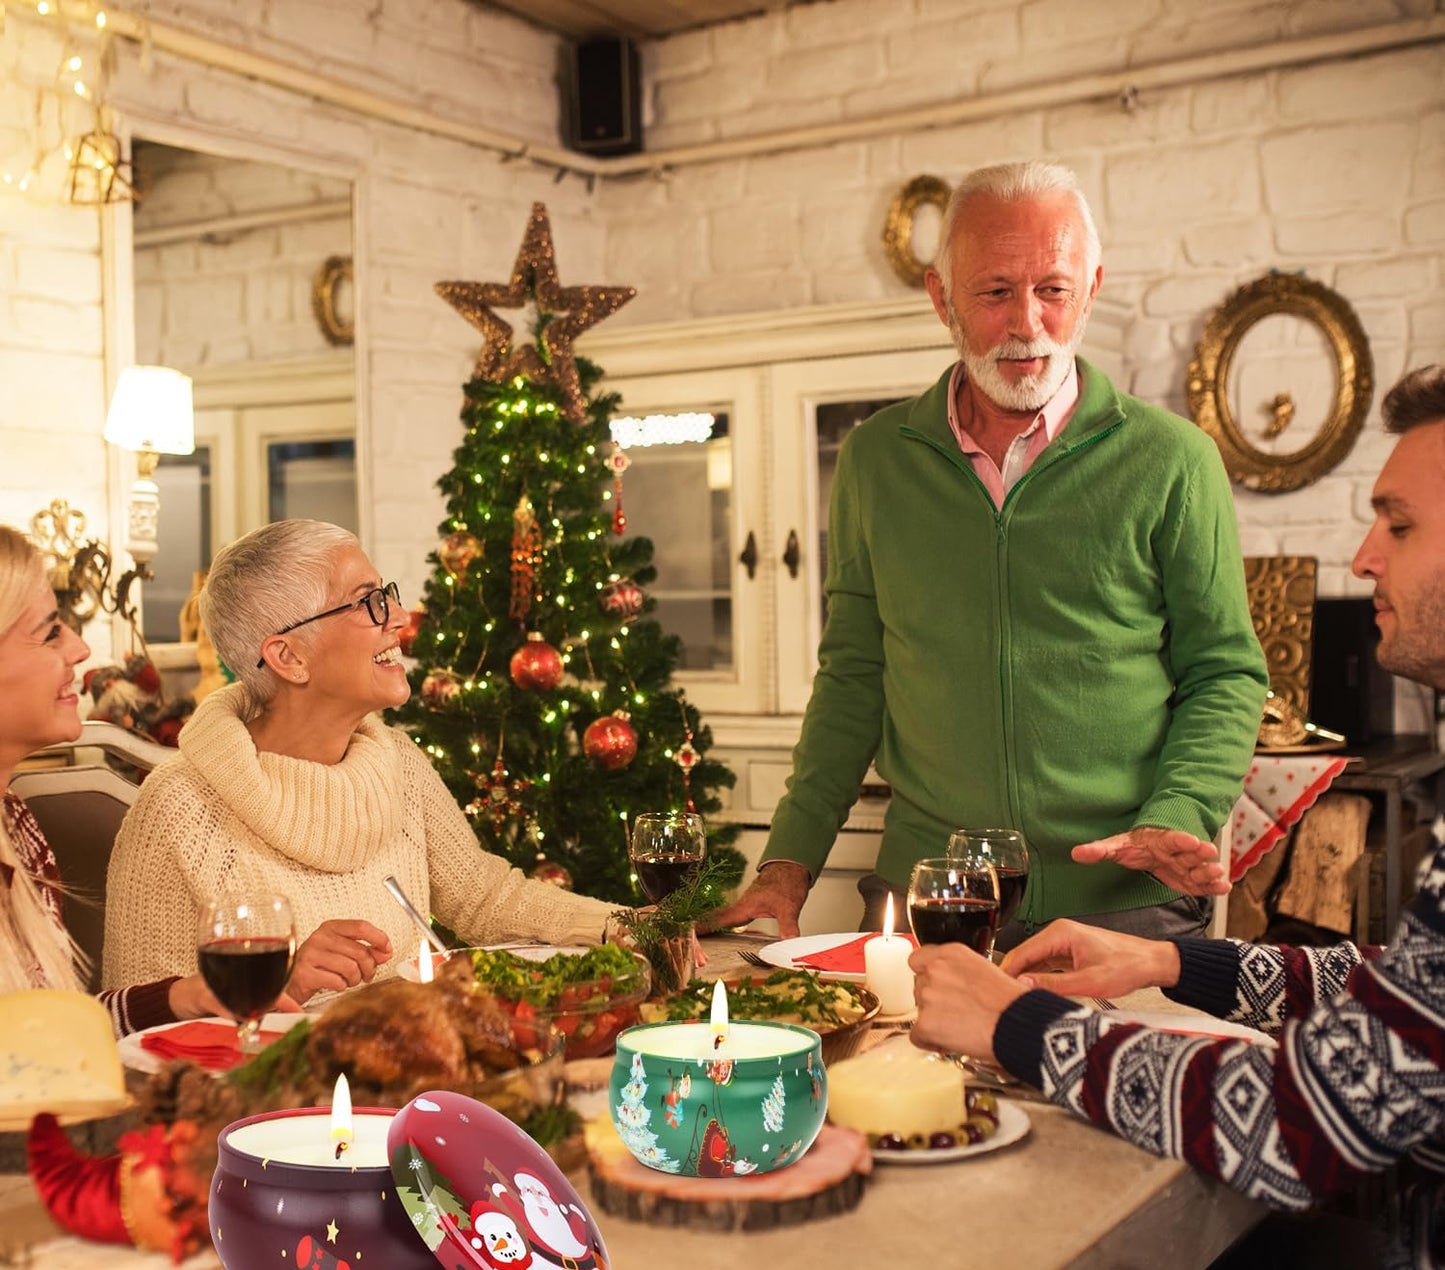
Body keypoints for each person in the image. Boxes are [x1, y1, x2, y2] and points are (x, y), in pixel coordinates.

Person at [910, 364, 1445, 1270]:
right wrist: (1173, 963)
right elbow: (1408, 1007)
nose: (1361, 556)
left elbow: (1302, 1126)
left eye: (1396, 522)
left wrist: (1017, 1025)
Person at [712, 160, 1267, 946]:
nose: (1027, 324)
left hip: (1122, 898)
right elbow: (853, 677)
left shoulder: (1174, 460)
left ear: (1091, 287)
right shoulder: (874, 459)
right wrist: (788, 862)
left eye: (1052, 289)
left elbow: (1224, 669)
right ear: (942, 298)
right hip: (932, 895)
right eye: (995, 291)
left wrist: (1177, 811)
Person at [103, 519, 618, 1006]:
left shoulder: (397, 761)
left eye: (386, 593)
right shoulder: (178, 810)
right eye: (368, 603)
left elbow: (484, 898)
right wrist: (283, 985)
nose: (399, 618)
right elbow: (144, 1038)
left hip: (413, 1076)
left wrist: (633, 927)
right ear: (289, 658)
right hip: (283, 1096)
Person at [0, 525, 222, 1033]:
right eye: (51, 631)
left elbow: (48, 1036)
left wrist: (185, 998)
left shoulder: (16, 825)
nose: (80, 649)